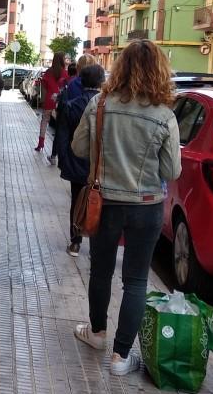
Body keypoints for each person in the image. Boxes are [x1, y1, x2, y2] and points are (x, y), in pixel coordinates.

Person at [70, 40, 181, 376]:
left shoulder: (99, 104)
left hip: (104, 203)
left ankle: (96, 334)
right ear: (159, 71)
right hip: (146, 206)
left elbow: (78, 147)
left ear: (120, 68)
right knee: (136, 280)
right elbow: (171, 171)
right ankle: (121, 357)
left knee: (100, 270)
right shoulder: (164, 115)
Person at [57, 61, 105, 256]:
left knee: (77, 201)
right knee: (99, 202)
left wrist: (63, 160)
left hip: (77, 160)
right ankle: (96, 245)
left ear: (81, 81)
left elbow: (62, 135)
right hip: (100, 164)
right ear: (101, 82)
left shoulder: (72, 106)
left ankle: (75, 242)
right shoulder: (107, 106)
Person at [35, 52, 68, 159]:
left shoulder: (49, 72)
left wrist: (43, 99)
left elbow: (43, 86)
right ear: (62, 60)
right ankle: (56, 150)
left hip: (49, 100)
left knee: (44, 122)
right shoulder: (65, 73)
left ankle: (40, 143)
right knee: (59, 126)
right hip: (59, 102)